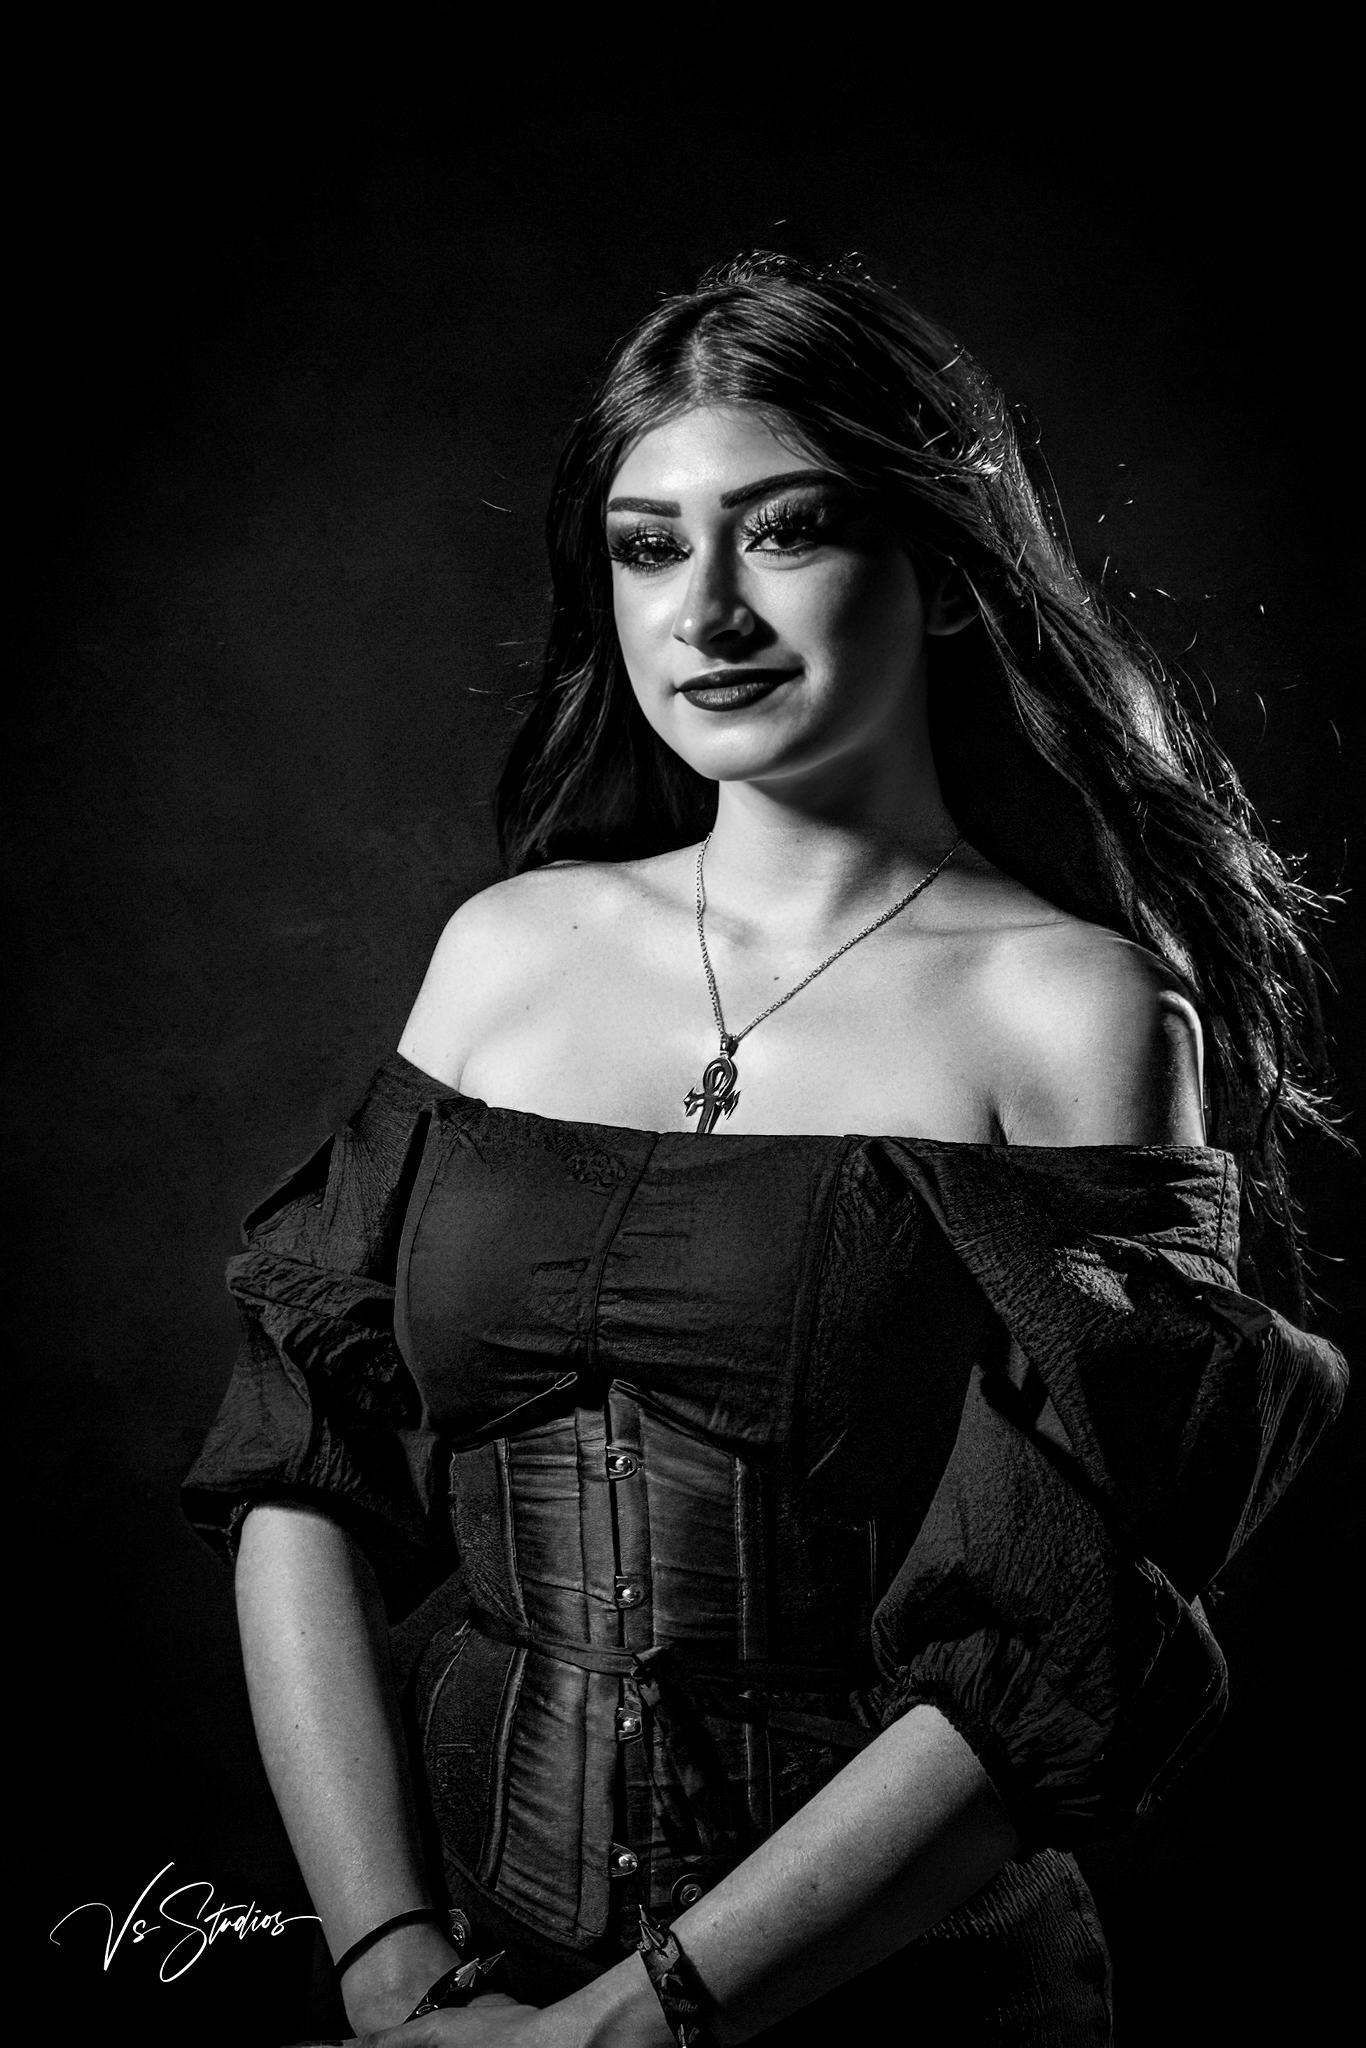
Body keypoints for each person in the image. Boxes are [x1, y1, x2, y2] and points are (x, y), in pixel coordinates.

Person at [183, 254, 1347, 2046]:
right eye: (650, 547)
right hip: (465, 1984)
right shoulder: (505, 954)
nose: (707, 609)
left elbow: (1056, 1641)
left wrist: (617, 2033)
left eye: (785, 531)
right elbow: (301, 1464)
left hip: (899, 2014)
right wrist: (391, 1964)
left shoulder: (1076, 1013)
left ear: (943, 577)